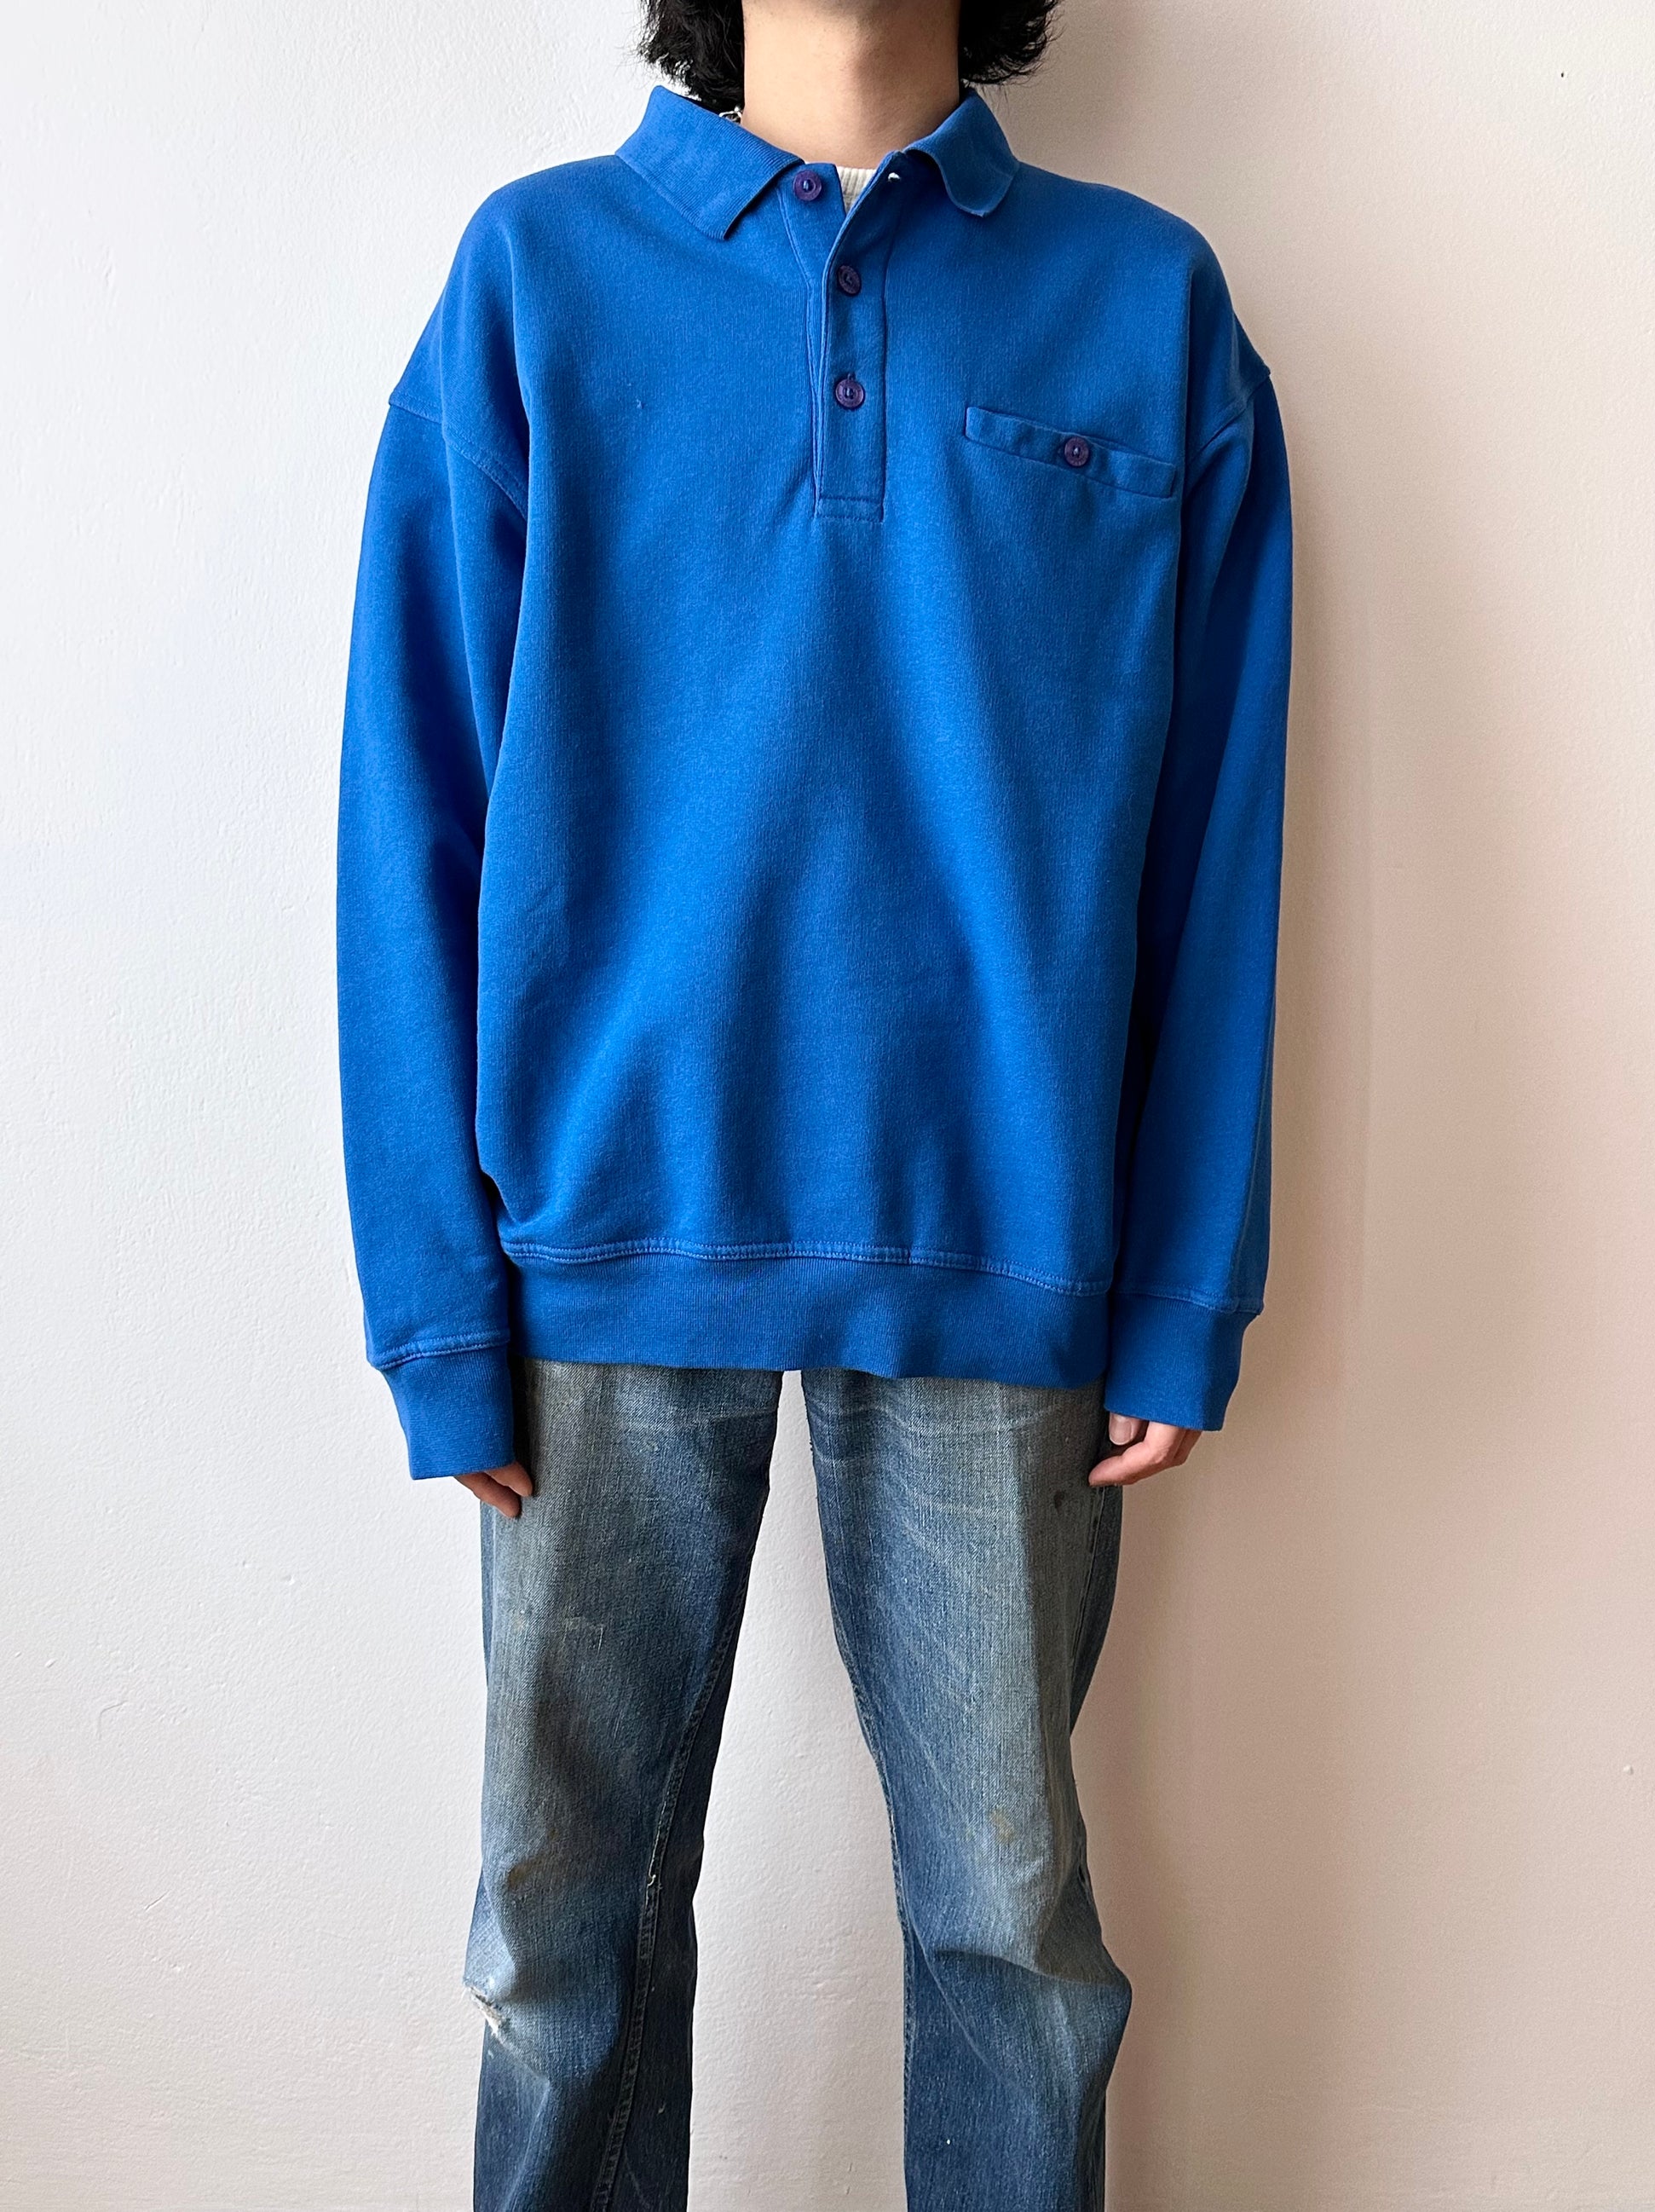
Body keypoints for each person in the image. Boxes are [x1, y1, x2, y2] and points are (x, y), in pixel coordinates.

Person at [335, 0, 1291, 2199]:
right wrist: (435, 1305)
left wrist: (1184, 1288)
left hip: (1007, 1235)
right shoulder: (538, 276)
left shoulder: (1144, 301)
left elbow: (1215, 839)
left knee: (1013, 1942)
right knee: (559, 1945)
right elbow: (414, 806)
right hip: (591, 1247)